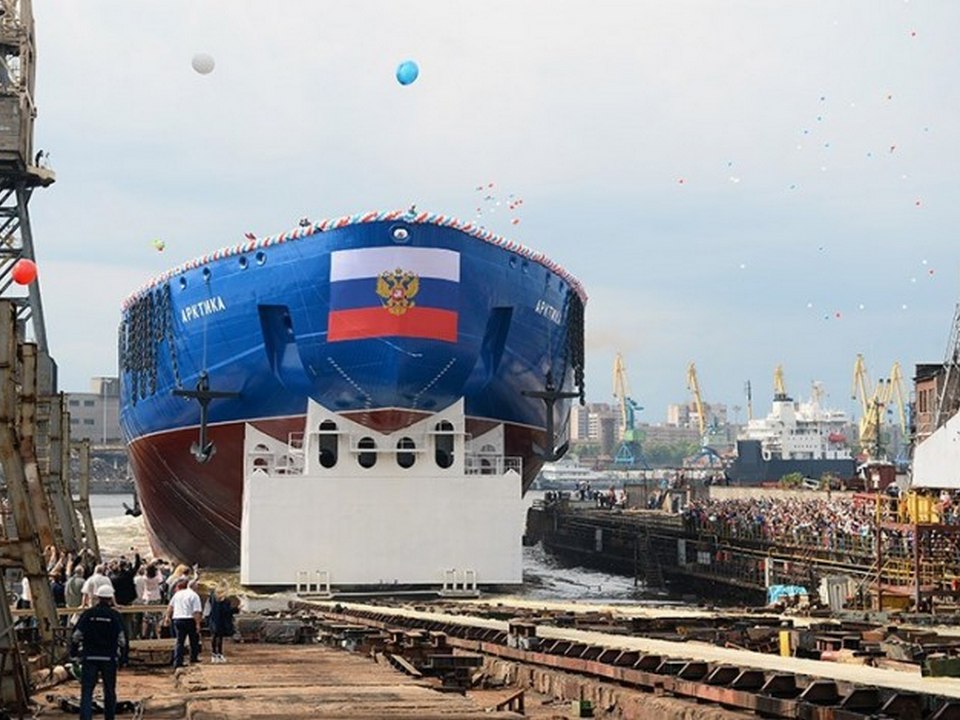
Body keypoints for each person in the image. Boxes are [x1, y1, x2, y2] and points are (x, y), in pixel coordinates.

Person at [71, 585, 126, 720]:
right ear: (110, 599)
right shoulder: (114, 616)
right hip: (109, 658)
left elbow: (76, 635)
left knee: (87, 691)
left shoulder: (88, 614)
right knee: (109, 691)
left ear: (97, 597)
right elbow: (122, 640)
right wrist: (124, 657)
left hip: (89, 657)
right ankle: (109, 717)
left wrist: (73, 653)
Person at [165, 578, 202, 668]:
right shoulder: (194, 595)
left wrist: (167, 617)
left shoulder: (178, 594)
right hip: (189, 619)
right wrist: (198, 623)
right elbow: (196, 611)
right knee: (194, 640)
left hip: (177, 618)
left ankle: (178, 661)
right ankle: (193, 657)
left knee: (179, 641)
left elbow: (170, 606)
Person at [206, 582, 238, 663]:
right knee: (220, 637)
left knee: (214, 636)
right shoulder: (225, 600)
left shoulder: (212, 597)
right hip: (222, 620)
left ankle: (214, 655)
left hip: (213, 618)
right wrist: (236, 609)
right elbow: (226, 611)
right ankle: (219, 654)